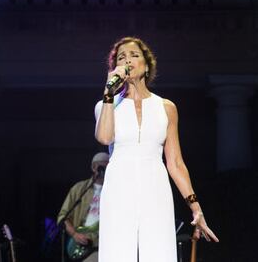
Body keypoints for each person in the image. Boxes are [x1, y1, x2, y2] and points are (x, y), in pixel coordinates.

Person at [94, 37, 219, 262]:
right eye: (121, 57)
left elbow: (175, 162)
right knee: (117, 253)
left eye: (134, 55)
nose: (127, 60)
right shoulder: (107, 104)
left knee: (159, 253)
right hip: (119, 187)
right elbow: (104, 137)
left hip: (155, 186)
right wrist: (108, 92)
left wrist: (195, 206)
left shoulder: (166, 107)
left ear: (146, 64)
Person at [57, 152, 109, 262]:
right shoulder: (79, 189)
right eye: (100, 166)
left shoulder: (115, 191)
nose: (102, 170)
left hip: (105, 244)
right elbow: (63, 217)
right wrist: (75, 234)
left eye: (106, 166)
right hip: (84, 244)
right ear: (93, 167)